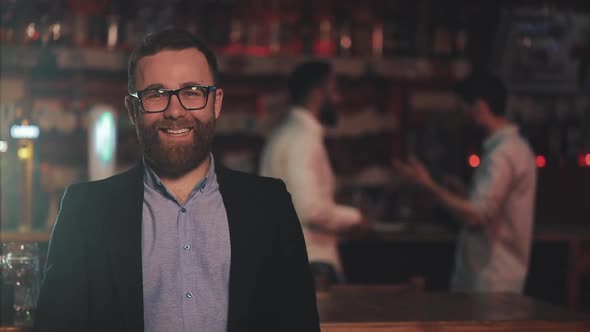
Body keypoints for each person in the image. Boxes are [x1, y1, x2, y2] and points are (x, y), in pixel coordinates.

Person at [34, 29, 320, 332]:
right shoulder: (86, 210)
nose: (174, 111)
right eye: (155, 95)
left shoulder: (270, 205)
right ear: (133, 110)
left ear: (216, 102)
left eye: (192, 92)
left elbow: (299, 323)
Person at [394, 71, 537, 293]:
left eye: (462, 107)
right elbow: (490, 207)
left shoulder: (503, 153)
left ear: (479, 106)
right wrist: (462, 191)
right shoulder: (510, 148)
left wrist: (428, 185)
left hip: (492, 281)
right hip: (492, 278)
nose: (460, 114)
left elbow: (476, 214)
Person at [259, 61, 363, 282]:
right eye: (334, 90)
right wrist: (356, 219)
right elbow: (310, 210)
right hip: (312, 264)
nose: (339, 99)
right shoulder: (303, 140)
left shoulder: (282, 135)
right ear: (318, 92)